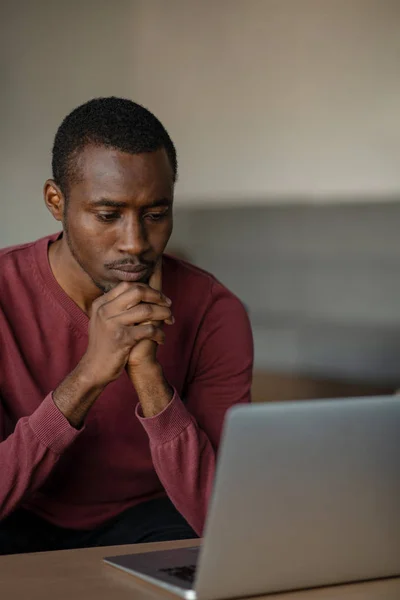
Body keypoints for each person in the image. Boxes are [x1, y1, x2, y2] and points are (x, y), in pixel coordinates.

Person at [0, 97, 253, 555]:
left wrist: (149, 378)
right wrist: (90, 376)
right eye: (107, 215)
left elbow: (225, 517)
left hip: (149, 521)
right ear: (56, 201)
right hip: (19, 516)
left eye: (155, 215)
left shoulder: (216, 312)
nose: (135, 244)